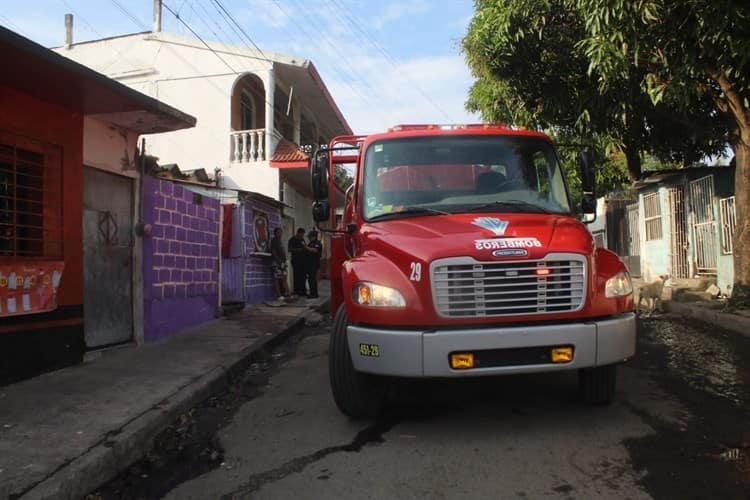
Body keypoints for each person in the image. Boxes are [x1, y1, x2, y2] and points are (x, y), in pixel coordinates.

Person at [270, 227, 289, 301]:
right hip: (277, 263)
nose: (280, 233)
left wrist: (284, 262)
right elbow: (274, 252)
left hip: (282, 263)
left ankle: (287, 293)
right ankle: (279, 295)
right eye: (278, 232)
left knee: (284, 278)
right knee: (277, 279)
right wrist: (279, 262)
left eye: (281, 232)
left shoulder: (280, 241)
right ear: (275, 233)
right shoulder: (274, 241)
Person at [288, 227, 308, 297]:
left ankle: (303, 291)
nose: (302, 236)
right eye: (301, 234)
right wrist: (299, 250)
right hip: (296, 260)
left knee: (303, 276)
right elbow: (290, 249)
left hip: (303, 261)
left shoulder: (302, 240)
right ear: (298, 233)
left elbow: (305, 246)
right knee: (297, 276)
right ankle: (297, 291)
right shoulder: (292, 240)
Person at [305, 229, 322, 298]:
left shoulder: (317, 243)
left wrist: (306, 247)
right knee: (310, 279)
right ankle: (312, 292)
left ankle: (314, 293)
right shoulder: (310, 243)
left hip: (314, 263)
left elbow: (315, 250)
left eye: (310, 237)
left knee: (312, 279)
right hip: (309, 263)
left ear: (314, 237)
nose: (309, 238)